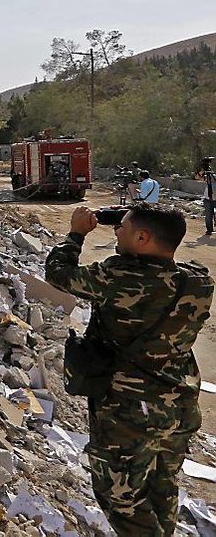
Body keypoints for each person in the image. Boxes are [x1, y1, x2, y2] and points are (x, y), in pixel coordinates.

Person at [45, 204, 214, 536]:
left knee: (121, 500)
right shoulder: (198, 282)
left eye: (121, 227)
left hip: (129, 414)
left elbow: (58, 272)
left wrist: (77, 233)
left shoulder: (117, 277)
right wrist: (126, 215)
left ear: (142, 237)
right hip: (178, 410)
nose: (115, 232)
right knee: (161, 489)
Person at [198, 157, 214, 235]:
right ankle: (209, 230)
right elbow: (197, 177)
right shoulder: (208, 176)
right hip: (208, 199)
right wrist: (203, 171)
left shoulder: (212, 176)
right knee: (208, 216)